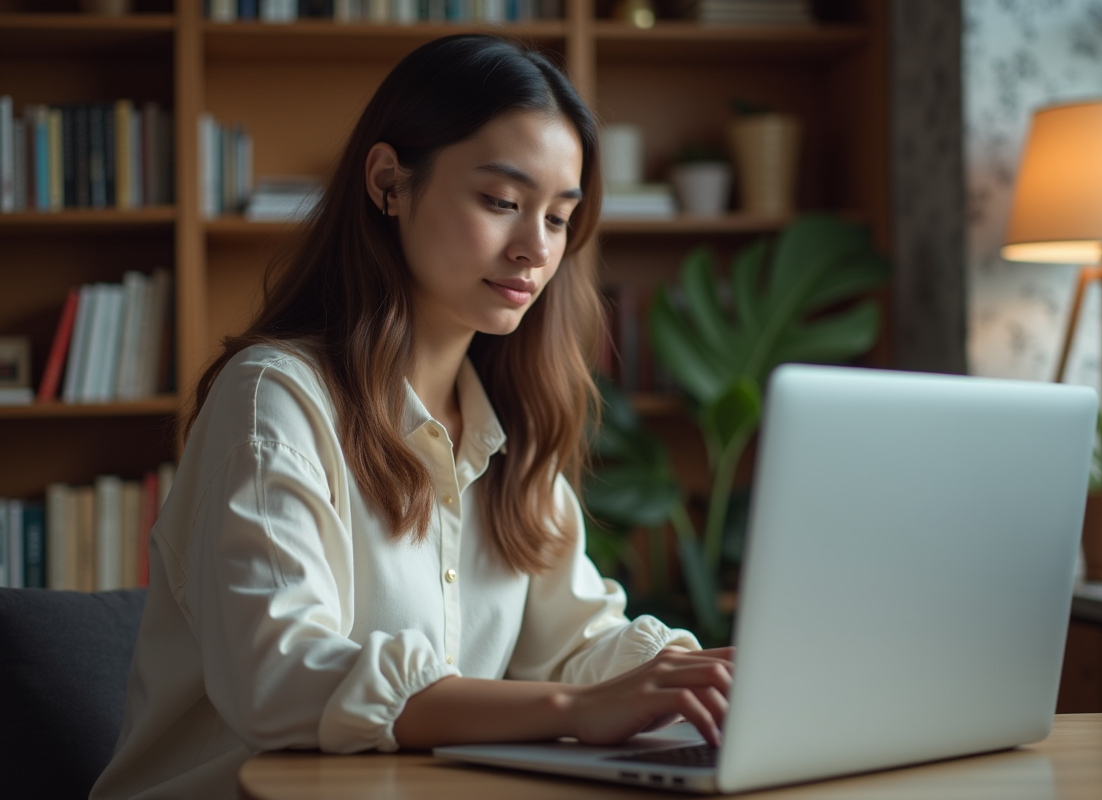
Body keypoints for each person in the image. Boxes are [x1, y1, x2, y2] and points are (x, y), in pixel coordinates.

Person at [91, 34, 734, 800]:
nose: (534, 248)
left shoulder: (510, 431)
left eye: (559, 218)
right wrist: (574, 709)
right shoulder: (274, 399)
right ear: (389, 182)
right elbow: (281, 676)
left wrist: (709, 681)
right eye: (501, 202)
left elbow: (580, 643)